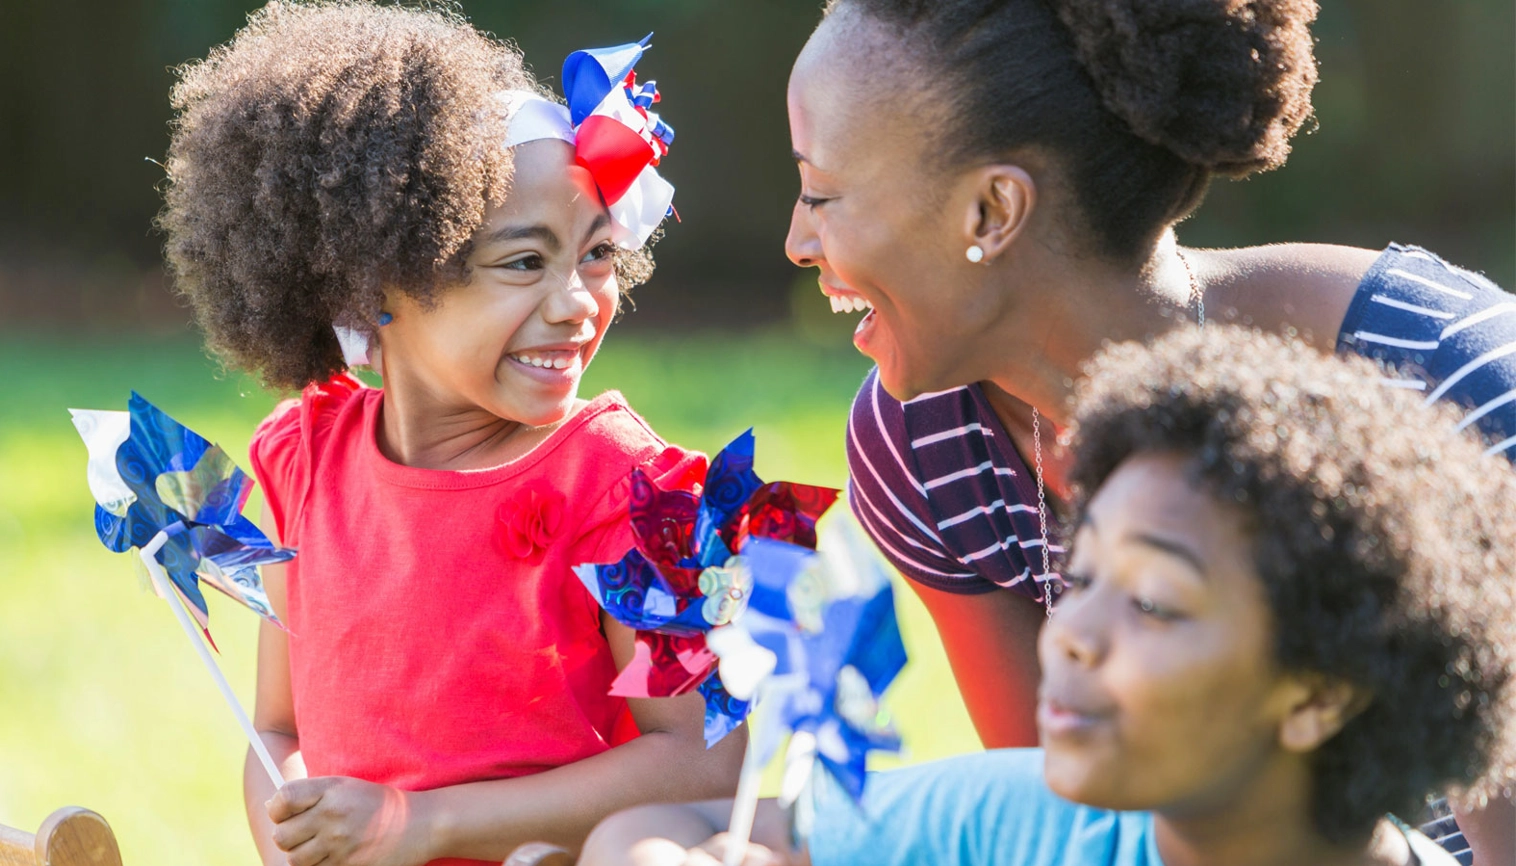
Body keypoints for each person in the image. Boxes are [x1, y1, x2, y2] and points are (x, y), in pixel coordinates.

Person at [784, 0, 1516, 858]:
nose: (799, 241)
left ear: (991, 211)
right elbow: (1072, 821)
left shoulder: (1445, 380)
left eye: (821, 194)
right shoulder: (915, 443)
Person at [577, 326, 1516, 866]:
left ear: (1316, 694)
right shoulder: (1038, 825)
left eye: (1151, 602)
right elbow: (666, 826)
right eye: (1087, 574)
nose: (1068, 632)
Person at [157, 3, 743, 864]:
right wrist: (290, 836)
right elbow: (276, 729)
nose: (577, 302)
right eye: (523, 262)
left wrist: (423, 824)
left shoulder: (626, 484)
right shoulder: (304, 461)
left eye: (596, 254)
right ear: (372, 287)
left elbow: (711, 759)